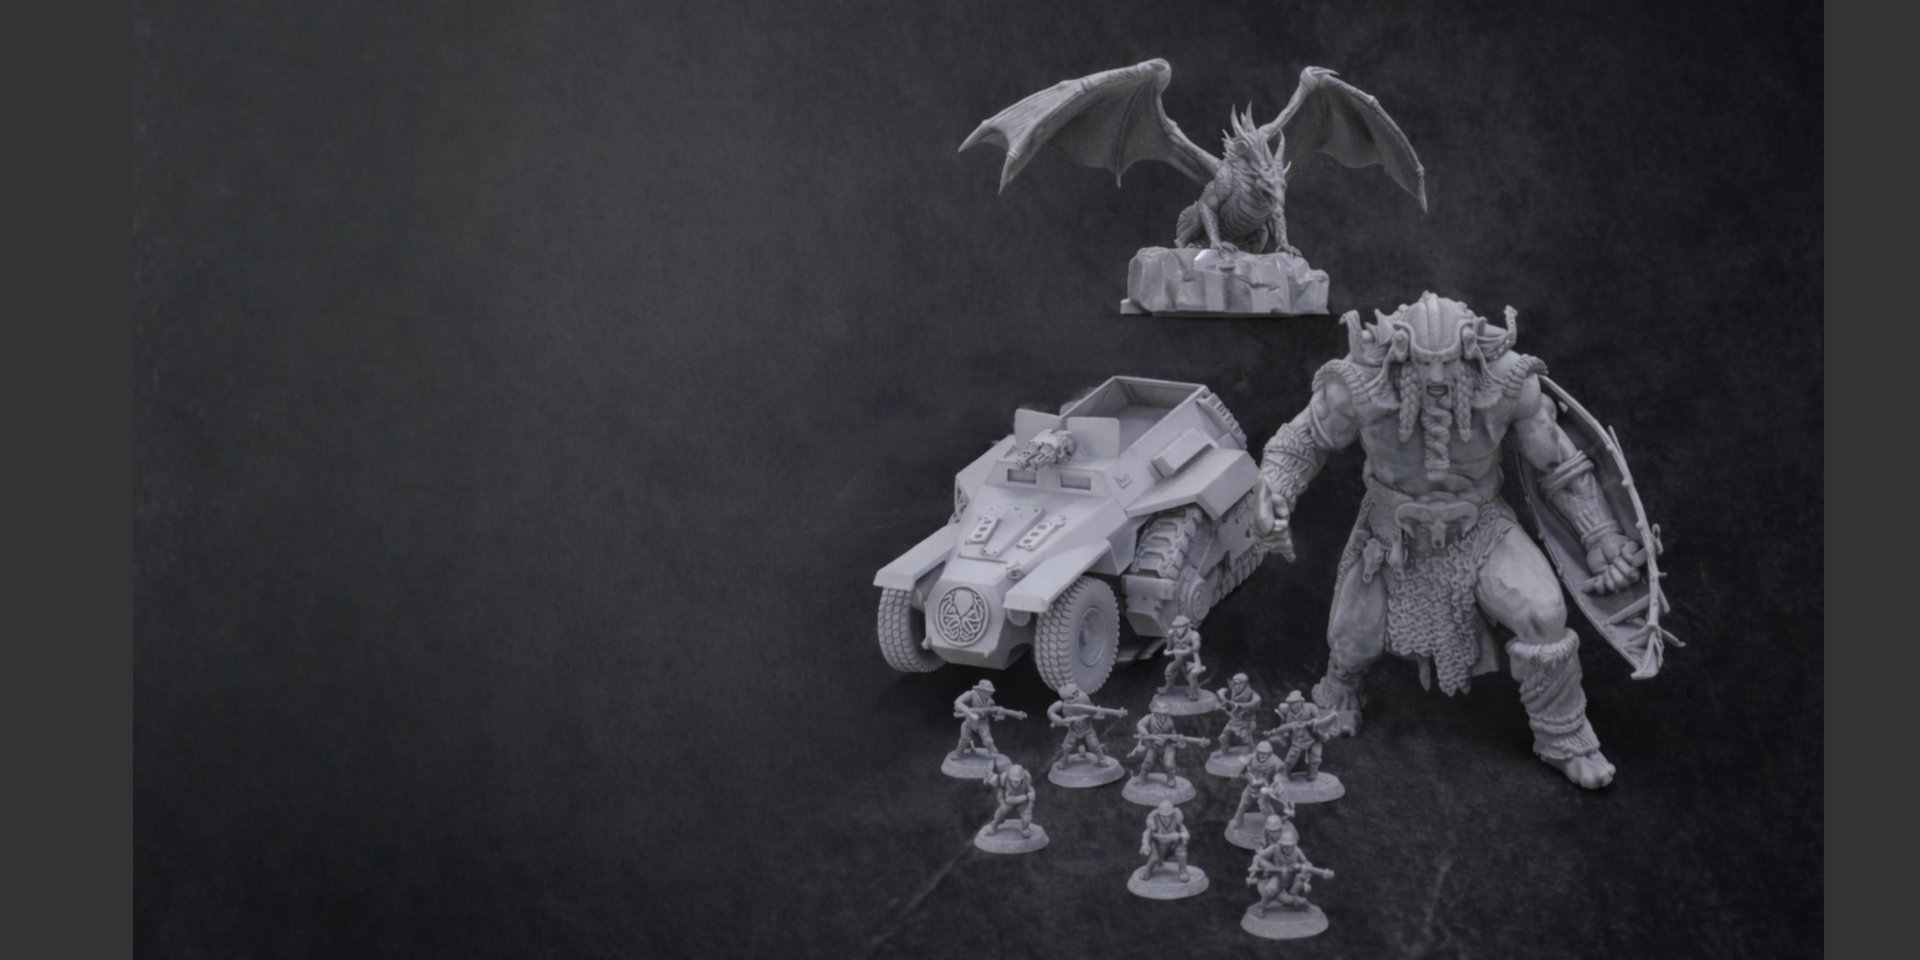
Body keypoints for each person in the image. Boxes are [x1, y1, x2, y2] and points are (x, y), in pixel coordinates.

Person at [1254, 293, 1649, 788]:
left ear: (1471, 351)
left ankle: (1563, 734)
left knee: (1544, 614)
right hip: (1391, 534)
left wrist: (1600, 535)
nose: (1437, 378)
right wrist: (1274, 490)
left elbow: (1559, 463)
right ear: (1401, 354)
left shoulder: (1509, 382)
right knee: (1351, 641)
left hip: (1480, 525)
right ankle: (1340, 690)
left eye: (1449, 363)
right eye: (1424, 364)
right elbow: (1302, 440)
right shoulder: (1359, 383)